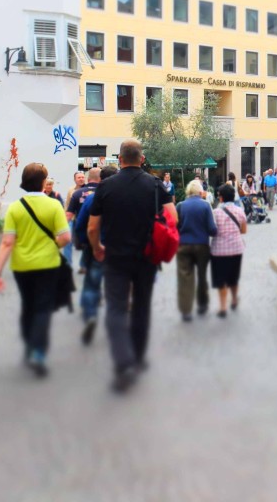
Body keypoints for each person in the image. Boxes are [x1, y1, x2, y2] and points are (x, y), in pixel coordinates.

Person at [88, 140, 175, 394]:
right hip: (147, 256)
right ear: (142, 158)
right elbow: (173, 218)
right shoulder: (156, 185)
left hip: (115, 256)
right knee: (141, 306)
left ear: (120, 158)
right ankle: (137, 358)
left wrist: (96, 248)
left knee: (116, 307)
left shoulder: (105, 186)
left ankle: (123, 362)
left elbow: (92, 227)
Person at [0, 163, 70, 378]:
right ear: (44, 182)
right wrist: (51, 246)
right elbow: (65, 237)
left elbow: (7, 242)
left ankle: (28, 346)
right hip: (48, 265)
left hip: (22, 266)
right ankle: (38, 351)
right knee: (43, 307)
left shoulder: (15, 208)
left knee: (28, 305)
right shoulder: (54, 205)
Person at [72, 165, 117, 345]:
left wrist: (88, 244)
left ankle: (89, 314)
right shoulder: (121, 198)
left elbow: (82, 224)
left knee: (92, 282)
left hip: (96, 246)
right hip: (118, 247)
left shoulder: (92, 199)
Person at [175, 180, 217, 322]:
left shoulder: (180, 206)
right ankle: (202, 304)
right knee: (202, 275)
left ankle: (186, 310)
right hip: (201, 245)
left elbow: (175, 225)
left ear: (188, 192)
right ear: (200, 192)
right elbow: (212, 229)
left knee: (185, 277)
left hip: (183, 244)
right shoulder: (205, 206)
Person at [210, 184, 247, 318]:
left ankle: (223, 306)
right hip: (236, 248)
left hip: (219, 250)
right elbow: (244, 230)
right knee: (233, 276)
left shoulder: (215, 212)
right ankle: (235, 298)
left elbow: (212, 231)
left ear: (221, 198)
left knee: (221, 279)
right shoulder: (240, 211)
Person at [67, 168, 101, 276]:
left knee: (87, 246)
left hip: (81, 225)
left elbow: (69, 213)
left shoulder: (77, 193)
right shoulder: (104, 191)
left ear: (88, 178)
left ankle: (85, 266)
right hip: (100, 226)